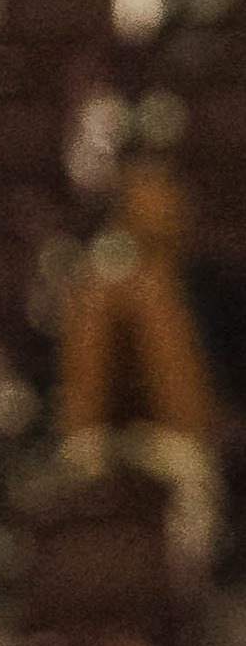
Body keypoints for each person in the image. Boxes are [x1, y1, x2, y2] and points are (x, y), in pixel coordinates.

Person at [55, 159, 225, 579]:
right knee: (80, 468)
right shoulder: (102, 289)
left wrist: (154, 307)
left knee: (183, 477)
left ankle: (184, 593)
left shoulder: (212, 285)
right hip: (113, 437)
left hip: (183, 439)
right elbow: (81, 416)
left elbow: (189, 414)